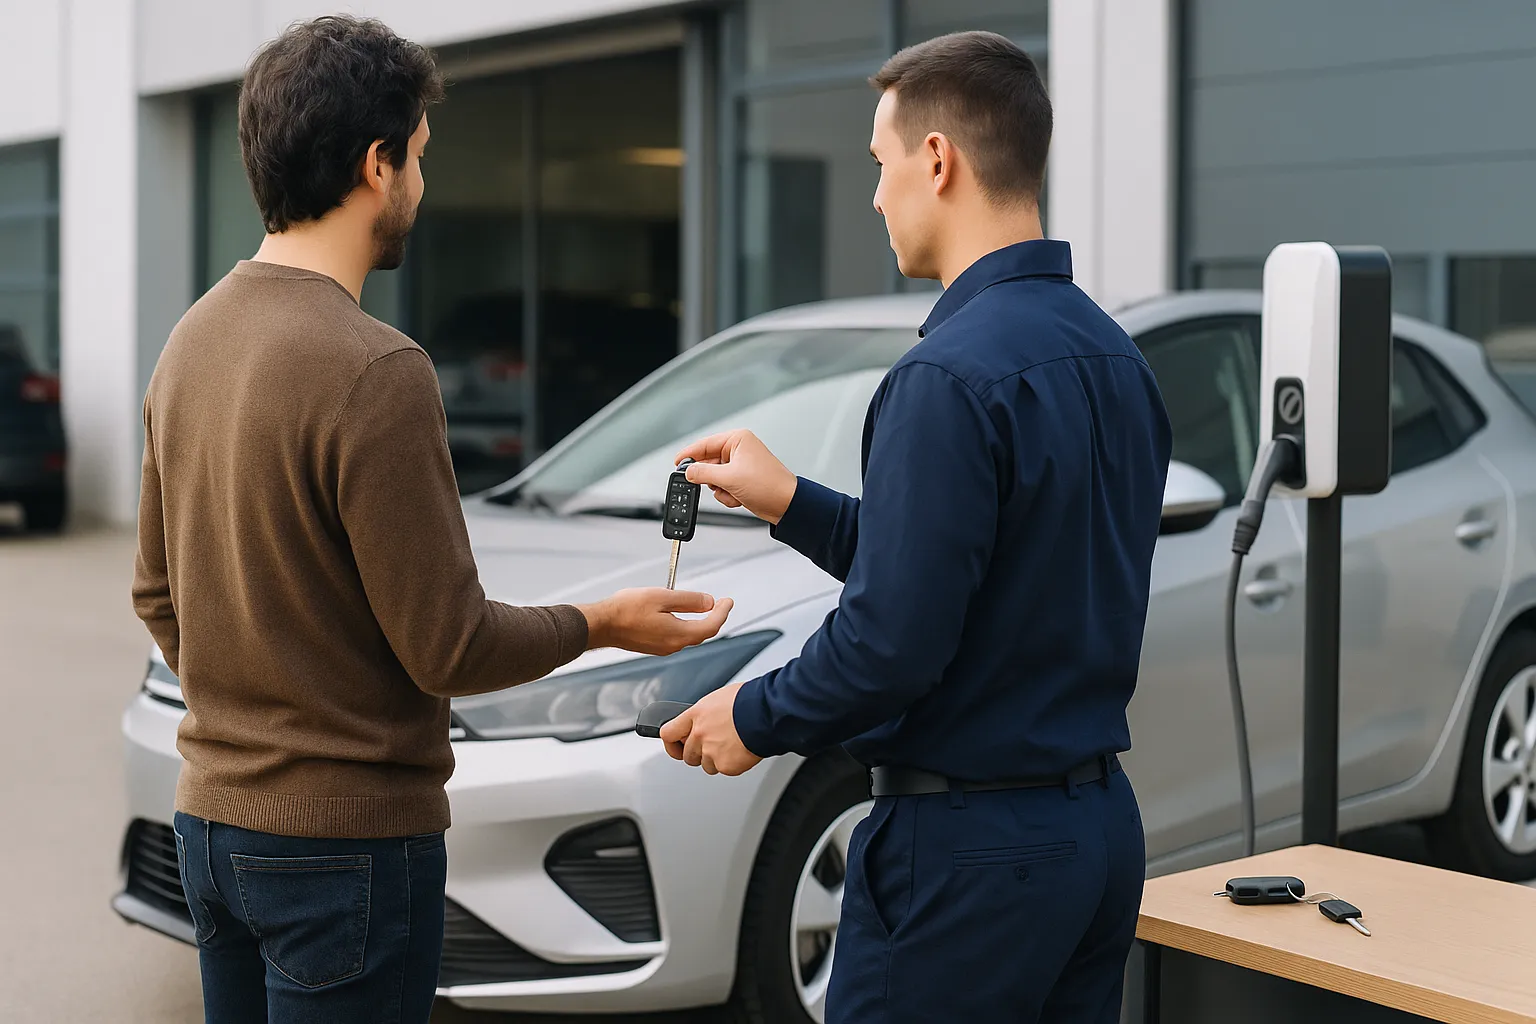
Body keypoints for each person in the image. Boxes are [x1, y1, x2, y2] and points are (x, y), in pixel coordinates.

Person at [131, 16, 731, 1024]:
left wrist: (256, 716)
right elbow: (447, 644)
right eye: (416, 156)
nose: (420, 181)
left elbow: (155, 590)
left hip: (210, 831)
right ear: (376, 164)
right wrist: (605, 621)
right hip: (346, 853)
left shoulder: (191, 340)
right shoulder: (376, 369)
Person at [660, 30, 1172, 1023]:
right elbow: (974, 581)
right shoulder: (1119, 361)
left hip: (968, 858)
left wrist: (749, 716)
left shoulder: (945, 376)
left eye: (880, 163)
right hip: (1097, 836)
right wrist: (793, 501)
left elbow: (894, 639)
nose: (876, 195)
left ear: (936, 160)